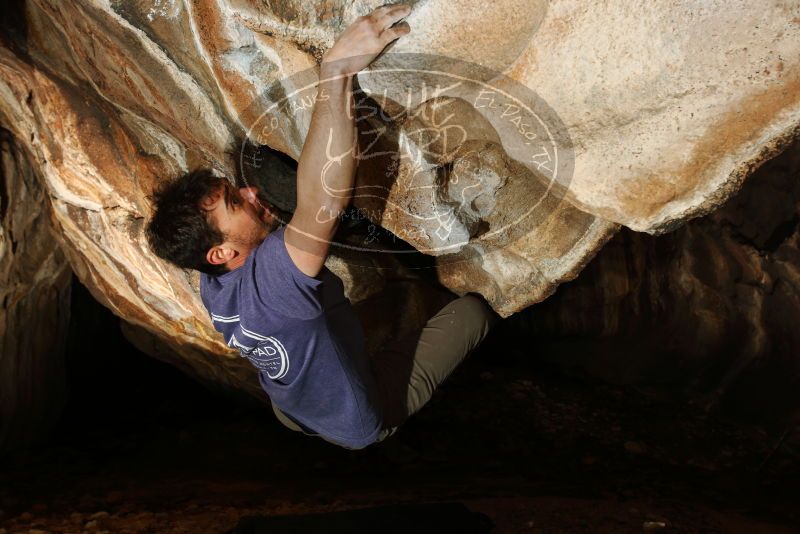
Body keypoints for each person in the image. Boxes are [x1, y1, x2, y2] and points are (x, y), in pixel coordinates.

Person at [145, 3, 499, 449]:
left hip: (291, 409)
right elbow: (325, 201)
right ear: (223, 253)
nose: (252, 193)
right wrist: (337, 71)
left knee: (315, 364)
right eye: (236, 201)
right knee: (474, 312)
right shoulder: (274, 285)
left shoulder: (213, 282)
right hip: (360, 420)